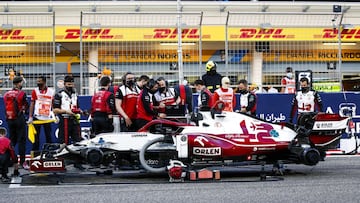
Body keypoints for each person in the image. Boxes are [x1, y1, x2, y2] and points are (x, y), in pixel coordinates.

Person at [3, 76, 29, 169]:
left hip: (10, 119)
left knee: (11, 141)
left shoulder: (6, 94)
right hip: (19, 119)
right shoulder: (22, 93)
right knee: (22, 141)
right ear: (18, 83)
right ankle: (22, 162)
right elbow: (26, 106)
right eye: (21, 82)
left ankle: (7, 160)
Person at [28, 76, 55, 151]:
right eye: (37, 81)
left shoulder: (51, 91)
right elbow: (32, 103)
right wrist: (30, 116)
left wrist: (55, 115)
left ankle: (49, 153)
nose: (38, 83)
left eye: (40, 81)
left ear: (44, 82)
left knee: (48, 136)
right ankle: (35, 153)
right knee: (36, 137)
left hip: (47, 117)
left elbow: (53, 104)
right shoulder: (35, 91)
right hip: (37, 117)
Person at [53, 75, 81, 144]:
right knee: (63, 142)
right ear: (65, 84)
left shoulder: (75, 95)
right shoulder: (59, 95)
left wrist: (81, 112)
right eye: (68, 84)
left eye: (72, 84)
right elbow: (55, 110)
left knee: (78, 141)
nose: (70, 86)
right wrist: (66, 111)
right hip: (64, 120)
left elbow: (77, 107)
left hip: (74, 120)